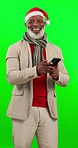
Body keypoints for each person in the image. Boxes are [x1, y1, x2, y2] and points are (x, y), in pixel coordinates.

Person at [6, 7, 69, 148]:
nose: (35, 25)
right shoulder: (14, 48)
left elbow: (65, 80)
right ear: (25, 24)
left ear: (45, 24)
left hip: (49, 111)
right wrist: (36, 71)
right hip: (23, 110)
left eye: (40, 21)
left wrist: (57, 75)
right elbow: (11, 77)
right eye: (31, 21)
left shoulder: (55, 49)